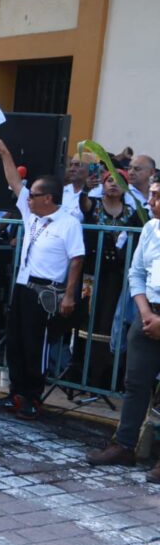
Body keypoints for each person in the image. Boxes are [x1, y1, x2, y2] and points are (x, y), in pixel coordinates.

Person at [0, 136, 84, 421]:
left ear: (48, 198)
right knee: (16, 341)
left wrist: (69, 295)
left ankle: (33, 396)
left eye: (34, 195)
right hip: (23, 286)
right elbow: (14, 183)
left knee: (36, 345)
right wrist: (5, 153)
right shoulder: (31, 216)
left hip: (46, 291)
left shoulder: (68, 223)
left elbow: (77, 259)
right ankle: (15, 392)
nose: (27, 198)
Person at [87, 174, 160, 479]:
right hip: (147, 313)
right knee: (135, 384)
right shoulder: (151, 228)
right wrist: (146, 312)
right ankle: (125, 445)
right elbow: (137, 273)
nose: (152, 202)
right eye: (152, 195)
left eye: (158, 196)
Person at [77, 169, 143, 388]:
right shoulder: (94, 205)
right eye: (109, 180)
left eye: (119, 181)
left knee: (110, 320)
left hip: (117, 276)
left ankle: (106, 375)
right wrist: (86, 186)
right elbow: (83, 204)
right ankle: (82, 372)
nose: (114, 184)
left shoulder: (131, 212)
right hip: (92, 274)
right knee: (88, 317)